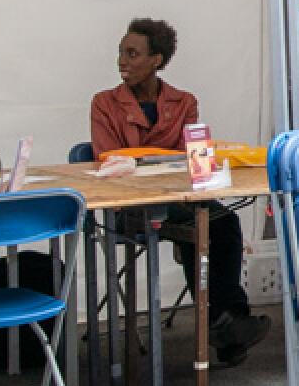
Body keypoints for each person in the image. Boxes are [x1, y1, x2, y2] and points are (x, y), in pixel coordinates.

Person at [90, 18, 269, 367]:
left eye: (132, 54)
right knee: (200, 224)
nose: (122, 61)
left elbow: (192, 157)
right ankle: (227, 326)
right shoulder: (104, 104)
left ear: (156, 60)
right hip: (130, 204)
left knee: (223, 222)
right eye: (121, 52)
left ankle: (229, 320)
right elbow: (109, 159)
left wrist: (153, 161)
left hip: (178, 197)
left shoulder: (184, 102)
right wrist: (162, 161)